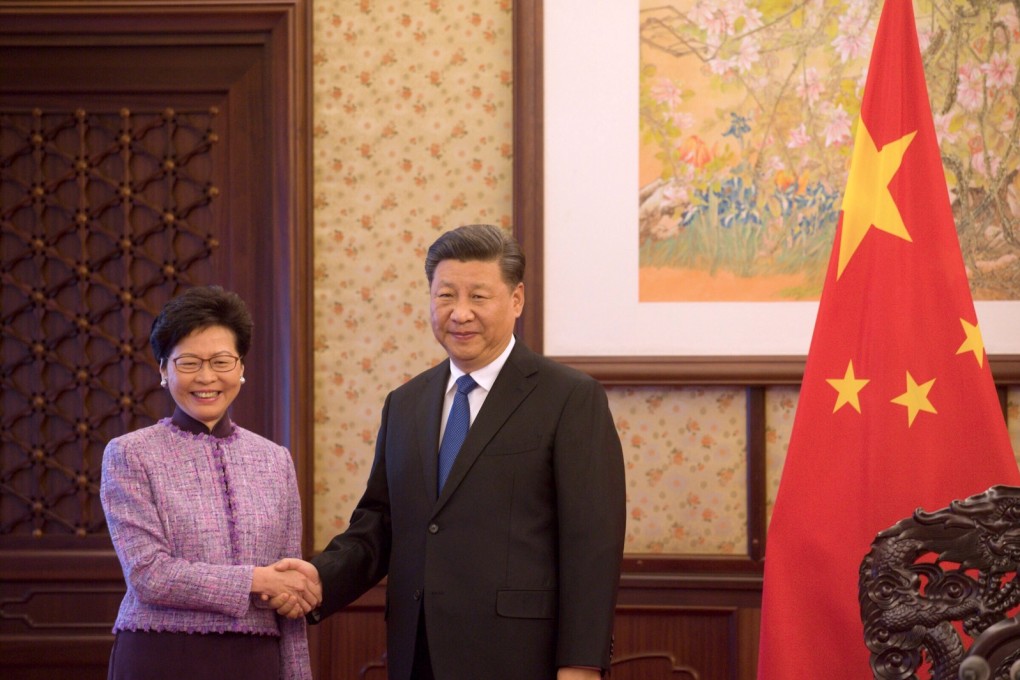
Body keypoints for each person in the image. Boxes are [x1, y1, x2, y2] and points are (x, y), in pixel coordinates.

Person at [291, 224, 627, 679]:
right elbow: (380, 524)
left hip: (520, 658)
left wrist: (581, 665)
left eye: (479, 297)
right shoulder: (405, 403)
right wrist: (318, 579)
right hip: (417, 654)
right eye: (446, 295)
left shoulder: (568, 398)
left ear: (516, 300)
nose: (460, 313)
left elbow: (592, 544)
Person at [100, 285, 319, 680]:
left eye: (221, 361)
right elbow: (149, 574)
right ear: (163, 370)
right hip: (162, 655)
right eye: (188, 363)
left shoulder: (275, 460)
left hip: (257, 662)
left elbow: (289, 586)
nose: (206, 377)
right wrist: (257, 579)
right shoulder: (129, 454)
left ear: (240, 368)